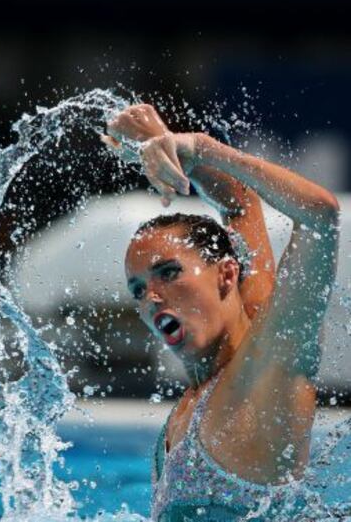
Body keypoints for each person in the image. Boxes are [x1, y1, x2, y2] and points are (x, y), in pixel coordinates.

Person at [101, 103, 340, 521]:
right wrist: (168, 148)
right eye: (138, 289)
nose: (152, 298)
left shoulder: (271, 370)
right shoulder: (203, 388)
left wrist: (202, 147)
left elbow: (320, 217)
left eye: (169, 273)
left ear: (227, 275)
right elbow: (240, 204)